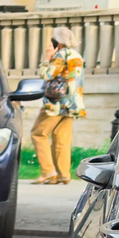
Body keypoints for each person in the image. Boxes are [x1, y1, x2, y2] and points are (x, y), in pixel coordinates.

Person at [31, 27, 84, 185]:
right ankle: (63, 174)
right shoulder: (76, 55)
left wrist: (47, 58)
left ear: (58, 41)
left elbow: (46, 74)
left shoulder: (61, 55)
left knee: (38, 133)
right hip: (73, 103)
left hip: (57, 102)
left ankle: (48, 172)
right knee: (61, 138)